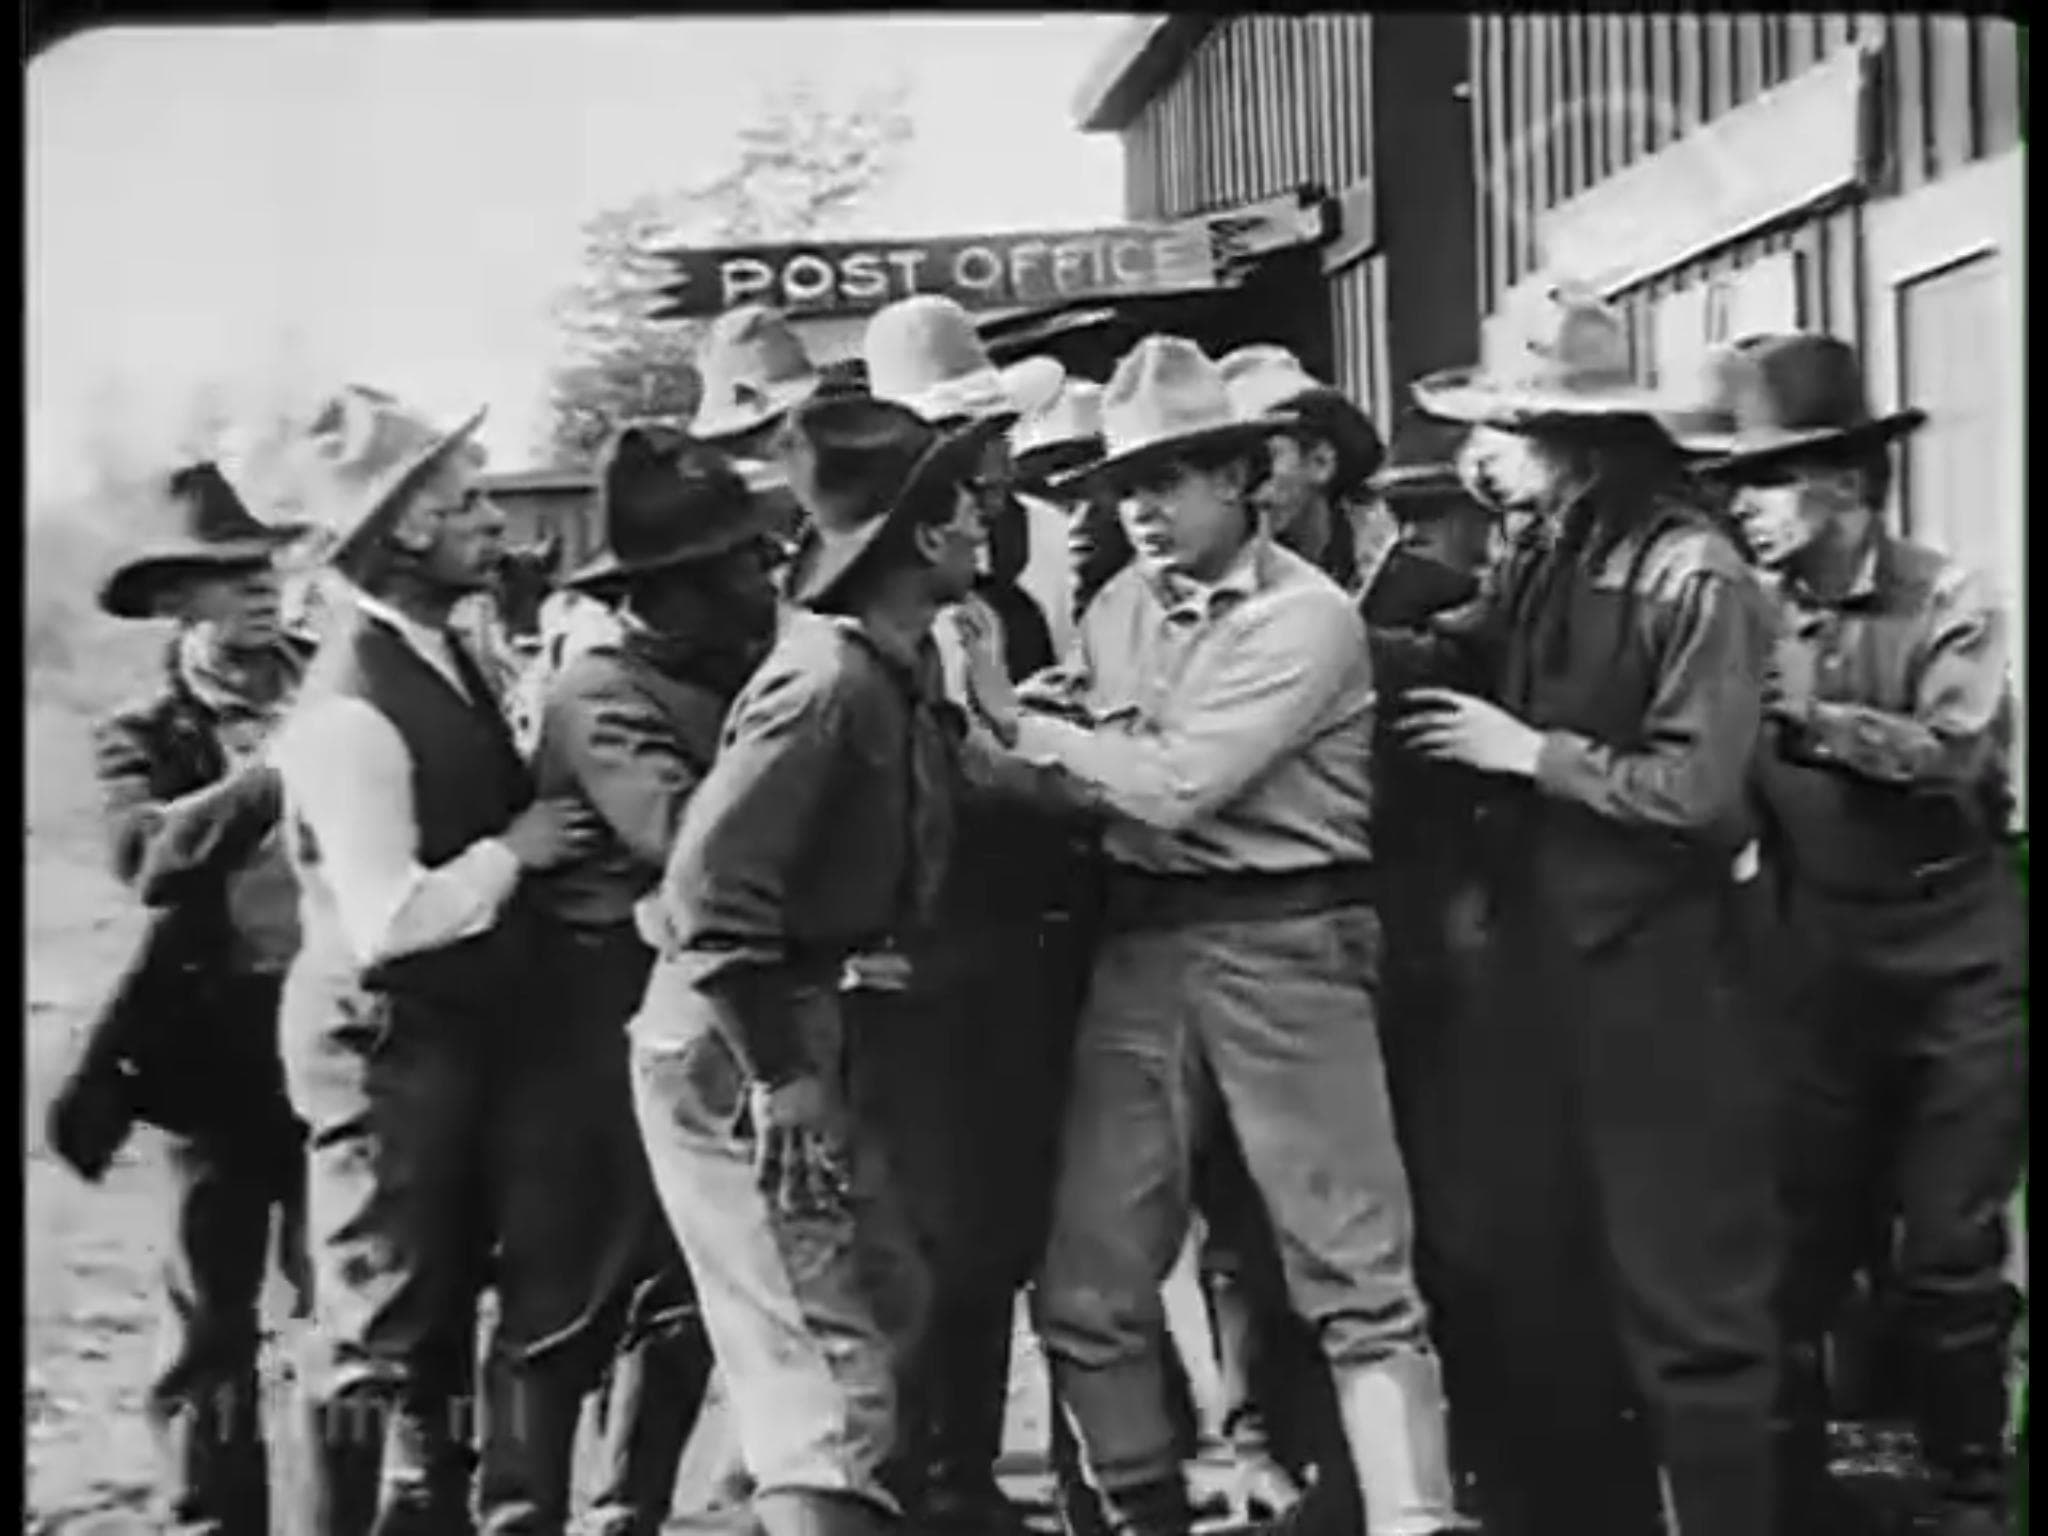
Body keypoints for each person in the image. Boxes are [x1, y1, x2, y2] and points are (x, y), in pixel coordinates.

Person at [965, 335, 1464, 1536]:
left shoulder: (1306, 618)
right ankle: (1143, 1508)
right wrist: (1041, 725)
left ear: (1243, 478)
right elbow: (1092, 741)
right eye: (1123, 488)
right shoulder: (1119, 606)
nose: (1139, 510)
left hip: (1289, 944)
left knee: (1355, 1279)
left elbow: (1174, 782)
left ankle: (1412, 1516)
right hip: (1144, 943)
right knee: (1087, 1281)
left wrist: (1009, 726)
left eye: (1168, 479)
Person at [1384, 279, 1782, 1536]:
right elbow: (1469, 643)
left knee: (1687, 1301)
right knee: (1533, 1282)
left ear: (1581, 439)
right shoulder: (1546, 549)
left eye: (1515, 429)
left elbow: (1696, 793)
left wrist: (1528, 756)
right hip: (1536, 972)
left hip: (1660, 984)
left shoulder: (1691, 575)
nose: (1492, 455)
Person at [627, 391, 1014, 1536]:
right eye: (963, 500)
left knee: (880, 1305)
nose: (983, 517)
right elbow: (708, 893)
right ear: (923, 534)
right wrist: (779, 1075)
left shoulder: (894, 666)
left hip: (797, 1017)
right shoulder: (825, 687)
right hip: (739, 1038)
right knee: (827, 1375)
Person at [1711, 334, 2026, 1536]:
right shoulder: (1744, 612)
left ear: (1843, 481)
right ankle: (1789, 1491)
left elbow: (1955, 756)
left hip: (1955, 964)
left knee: (1945, 1249)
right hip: (1812, 961)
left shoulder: (1950, 601)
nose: (1743, 506)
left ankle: (1966, 1492)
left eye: (1766, 479)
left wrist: (1813, 724)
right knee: (1795, 1243)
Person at [271, 385, 599, 1536]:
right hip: (385, 1045)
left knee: (437, 1321)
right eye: (466, 505)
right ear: (404, 530)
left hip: (446, 1039)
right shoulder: (352, 707)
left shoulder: (439, 653)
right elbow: (388, 918)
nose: (494, 522)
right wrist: (514, 851)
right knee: (374, 1338)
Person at [476, 425, 785, 1535]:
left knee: (682, 1286)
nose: (767, 580)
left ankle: (626, 1511)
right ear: (678, 584)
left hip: (694, 1002)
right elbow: (686, 839)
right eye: (744, 563)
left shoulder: (731, 674)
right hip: (591, 1011)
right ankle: (520, 1513)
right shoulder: (599, 693)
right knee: (563, 1294)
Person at [45, 463, 313, 1536]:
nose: (259, 588)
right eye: (226, 574)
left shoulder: (343, 684)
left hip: (349, 1035)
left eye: (265, 567)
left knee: (355, 1306)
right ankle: (215, 1518)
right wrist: (271, 776)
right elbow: (148, 859)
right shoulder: (144, 730)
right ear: (173, 600)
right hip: (218, 1056)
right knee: (213, 1317)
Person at [1219, 343, 1391, 596]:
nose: (1243, 483)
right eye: (1223, 467)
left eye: (1261, 459)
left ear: (1320, 462)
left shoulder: (1386, 565)